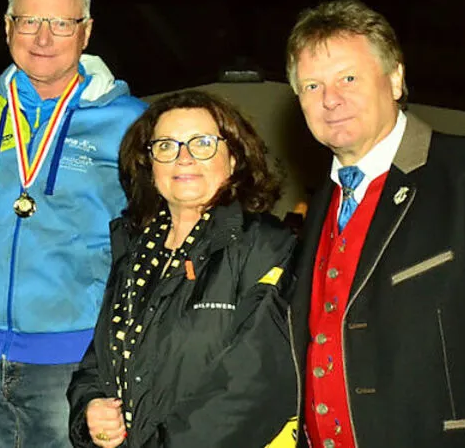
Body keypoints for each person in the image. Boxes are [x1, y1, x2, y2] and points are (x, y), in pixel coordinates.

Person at [286, 0, 465, 448]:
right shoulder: (320, 207)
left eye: (348, 78)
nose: (330, 99)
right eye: (312, 85)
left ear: (395, 79)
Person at [0, 0, 146, 447]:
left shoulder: (129, 120)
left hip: (73, 356)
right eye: (30, 20)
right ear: (8, 27)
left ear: (86, 31)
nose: (43, 37)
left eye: (60, 23)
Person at [68, 90, 298, 448]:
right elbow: (98, 361)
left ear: (234, 158)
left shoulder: (267, 246)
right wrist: (89, 409)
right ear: (149, 163)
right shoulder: (135, 251)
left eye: (203, 143)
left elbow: (255, 385)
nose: (183, 158)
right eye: (166, 146)